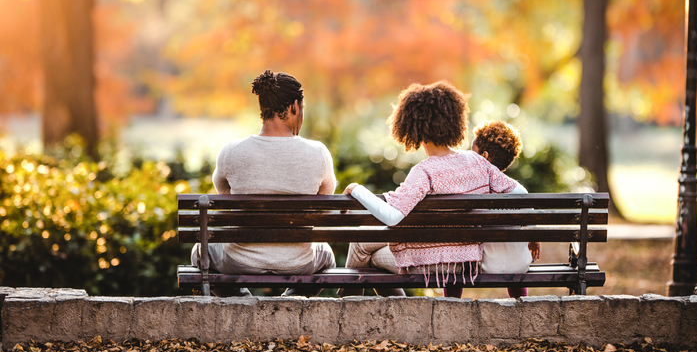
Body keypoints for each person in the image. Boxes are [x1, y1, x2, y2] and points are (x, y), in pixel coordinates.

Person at [340, 81, 528, 299]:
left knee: (366, 253)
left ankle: (346, 304)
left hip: (436, 264)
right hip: (468, 261)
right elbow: (520, 193)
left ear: (413, 128)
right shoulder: (477, 161)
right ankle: (397, 309)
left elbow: (392, 217)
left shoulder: (425, 171)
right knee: (366, 249)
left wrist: (356, 189)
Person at [191, 69, 337, 297]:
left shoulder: (231, 152)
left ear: (263, 109)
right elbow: (324, 200)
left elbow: (225, 193)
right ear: (294, 107)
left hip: (239, 260)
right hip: (299, 261)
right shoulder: (318, 153)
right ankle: (291, 300)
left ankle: (241, 299)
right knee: (327, 254)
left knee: (199, 250)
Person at [472, 120, 541, 298]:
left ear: (484, 156)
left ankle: (451, 301)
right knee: (513, 255)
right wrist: (534, 242)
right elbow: (531, 227)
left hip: (484, 265)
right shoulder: (519, 190)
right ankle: (521, 303)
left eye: (473, 153)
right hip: (519, 266)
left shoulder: (472, 191)